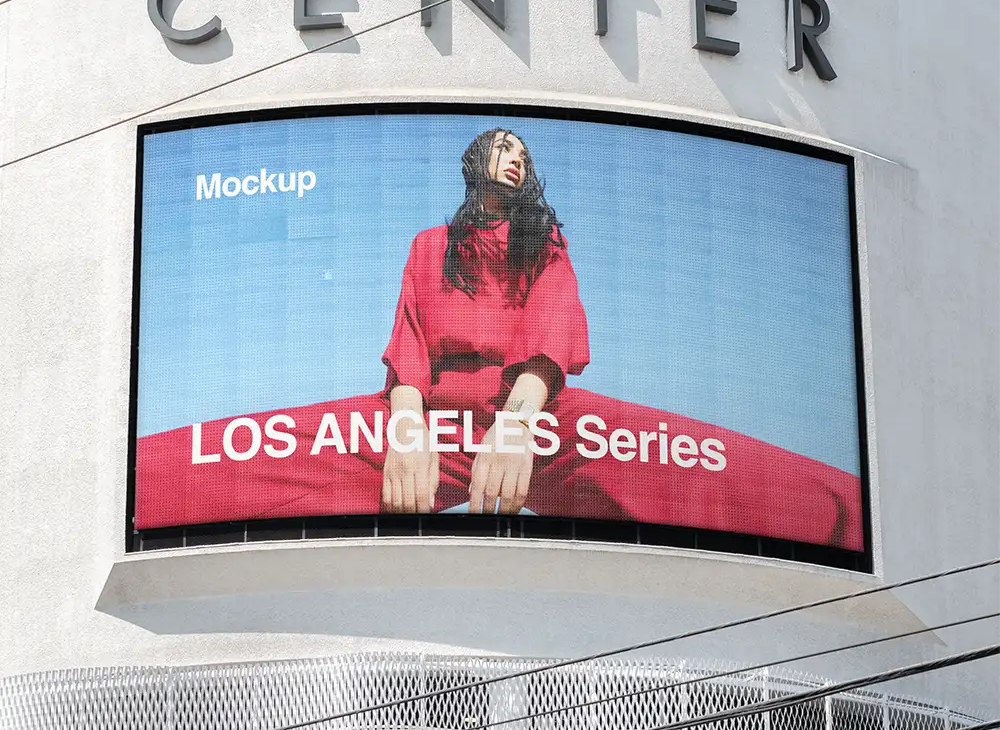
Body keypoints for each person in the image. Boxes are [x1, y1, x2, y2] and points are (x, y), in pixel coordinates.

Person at [136, 129, 863, 551]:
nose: (516, 158)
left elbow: (550, 333)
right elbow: (409, 345)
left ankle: (846, 514)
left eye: (523, 152)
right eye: (503, 149)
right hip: (434, 422)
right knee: (265, 446)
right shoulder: (428, 245)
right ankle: (139, 491)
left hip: (539, 419)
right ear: (477, 162)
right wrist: (409, 424)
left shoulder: (544, 240)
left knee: (682, 456)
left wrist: (517, 425)